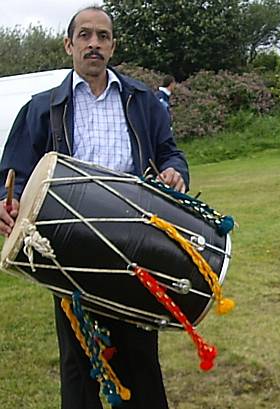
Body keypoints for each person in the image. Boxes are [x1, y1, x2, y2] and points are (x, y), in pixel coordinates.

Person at [0, 6, 188, 409]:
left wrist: (174, 171)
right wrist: (5, 200)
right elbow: (9, 175)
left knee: (141, 360)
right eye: (84, 35)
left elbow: (170, 153)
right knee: (79, 366)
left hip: (136, 248)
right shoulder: (41, 108)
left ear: (113, 45)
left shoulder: (141, 100)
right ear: (69, 44)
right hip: (68, 253)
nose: (94, 44)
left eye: (103, 36)